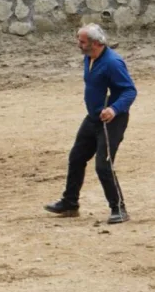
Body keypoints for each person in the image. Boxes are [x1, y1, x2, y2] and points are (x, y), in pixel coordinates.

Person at [44, 23, 137, 224]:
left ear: (95, 43)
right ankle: (70, 204)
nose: (78, 44)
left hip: (111, 120)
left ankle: (119, 209)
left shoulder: (113, 63)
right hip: (94, 117)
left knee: (103, 165)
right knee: (76, 157)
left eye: (82, 41)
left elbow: (130, 91)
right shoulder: (90, 58)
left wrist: (113, 109)